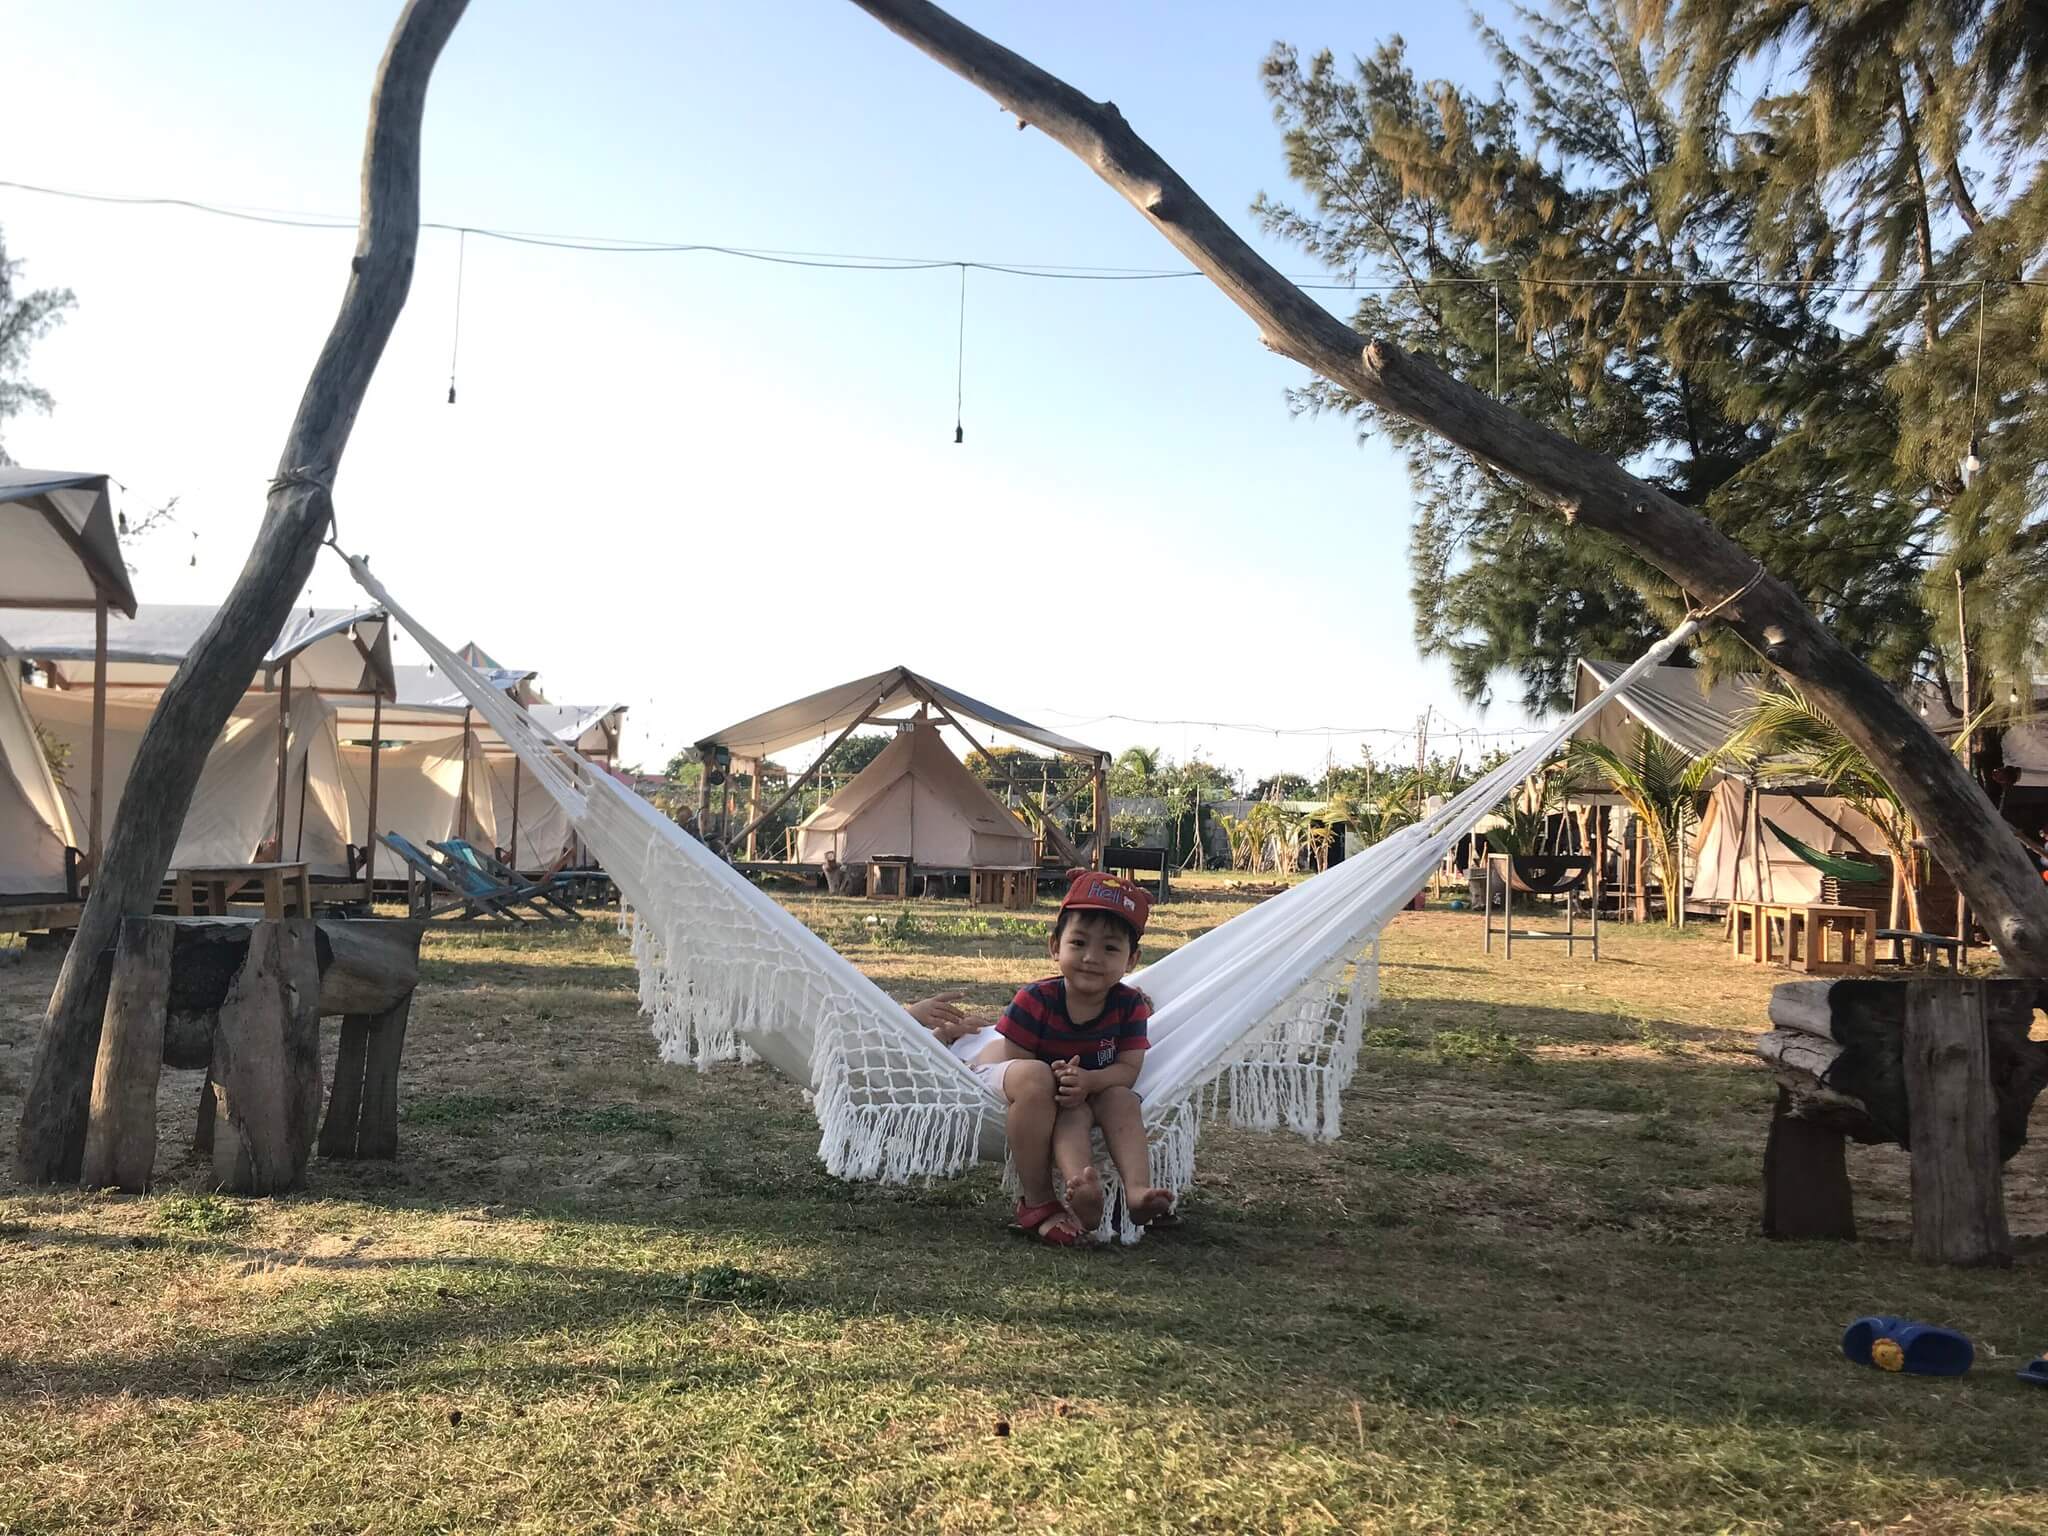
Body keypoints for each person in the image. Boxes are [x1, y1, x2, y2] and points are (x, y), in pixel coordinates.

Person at [960, 869, 1174, 1245]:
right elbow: (1018, 1063)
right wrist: (1064, 1084)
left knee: (1122, 1099)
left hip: (1082, 1091)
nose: (1092, 958)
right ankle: (1052, 1195)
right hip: (1010, 1081)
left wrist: (1088, 1082)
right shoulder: (1035, 1000)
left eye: (1110, 949)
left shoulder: (1129, 1006)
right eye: (1078, 943)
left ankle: (1135, 1191)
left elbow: (1128, 1069)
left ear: (1132, 959)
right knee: (1044, 1086)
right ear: (1055, 947)